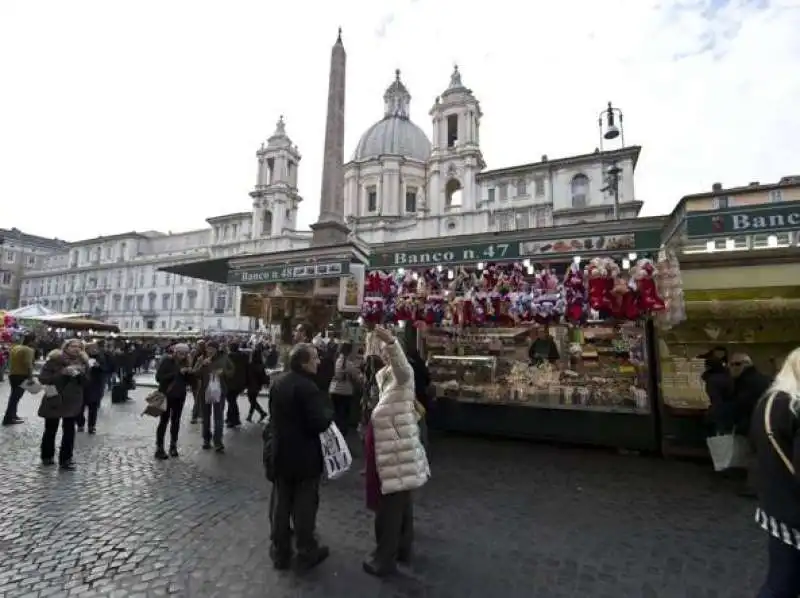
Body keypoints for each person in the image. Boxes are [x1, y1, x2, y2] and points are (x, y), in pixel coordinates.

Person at [363, 326, 430, 577]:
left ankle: (385, 558)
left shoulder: (405, 373)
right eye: (380, 349)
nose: (383, 352)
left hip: (397, 452)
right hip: (393, 450)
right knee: (401, 507)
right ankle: (402, 549)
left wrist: (390, 340)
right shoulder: (386, 375)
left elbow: (401, 365)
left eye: (387, 349)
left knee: (389, 511)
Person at [266, 343, 333, 571]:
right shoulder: (309, 388)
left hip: (280, 452)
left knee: (281, 504)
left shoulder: (278, 383)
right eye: (315, 358)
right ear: (304, 362)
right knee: (304, 506)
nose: (319, 362)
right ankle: (306, 550)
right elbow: (319, 423)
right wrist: (327, 413)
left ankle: (280, 551)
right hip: (304, 456)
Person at [749, 347, 800, 597]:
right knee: (783, 584)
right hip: (794, 509)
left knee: (782, 577)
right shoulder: (794, 408)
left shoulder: (768, 402)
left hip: (775, 503)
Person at [37, 339, 89, 470]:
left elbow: (86, 383)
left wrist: (80, 375)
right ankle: (47, 456)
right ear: (66, 347)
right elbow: (43, 379)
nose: (76, 349)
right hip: (54, 396)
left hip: (72, 400)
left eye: (79, 347)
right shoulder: (54, 360)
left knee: (70, 430)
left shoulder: (83, 362)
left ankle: (66, 459)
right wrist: (62, 373)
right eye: (73, 346)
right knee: (50, 428)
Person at [153, 343, 192, 459]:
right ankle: (159, 448)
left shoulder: (186, 362)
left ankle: (173, 446)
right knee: (164, 421)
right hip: (166, 395)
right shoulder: (166, 361)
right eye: (180, 353)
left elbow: (188, 381)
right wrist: (177, 372)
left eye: (185, 354)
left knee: (176, 421)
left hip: (179, 396)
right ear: (175, 352)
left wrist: (190, 372)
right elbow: (159, 378)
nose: (182, 356)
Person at [193, 341, 233, 453]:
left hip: (220, 391)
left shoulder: (224, 358)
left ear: (216, 349)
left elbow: (232, 372)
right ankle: (206, 440)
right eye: (208, 348)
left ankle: (218, 442)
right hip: (204, 392)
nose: (209, 351)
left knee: (218, 417)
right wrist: (202, 365)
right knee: (206, 417)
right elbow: (195, 373)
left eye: (212, 349)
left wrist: (223, 372)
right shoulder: (201, 359)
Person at [328, 341, 361, 437]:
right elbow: (357, 378)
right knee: (344, 416)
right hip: (345, 392)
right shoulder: (349, 364)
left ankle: (335, 434)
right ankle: (342, 436)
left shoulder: (337, 360)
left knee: (336, 414)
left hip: (334, 390)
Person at [2, 333, 36, 426]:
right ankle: (8, 418)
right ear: (32, 341)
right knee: (15, 398)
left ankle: (13, 415)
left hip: (13, 375)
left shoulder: (16, 348)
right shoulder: (29, 350)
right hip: (22, 375)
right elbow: (28, 364)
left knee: (13, 397)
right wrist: (31, 377)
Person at [702, 346, 735, 435]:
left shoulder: (712, 380)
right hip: (730, 412)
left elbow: (716, 400)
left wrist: (710, 414)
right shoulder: (728, 376)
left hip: (721, 414)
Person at [77, 342, 108, 434]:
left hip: (95, 385)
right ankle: (80, 424)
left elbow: (107, 368)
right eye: (90, 348)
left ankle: (91, 426)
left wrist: (99, 367)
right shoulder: (81, 357)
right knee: (80, 407)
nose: (93, 349)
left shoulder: (101, 357)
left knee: (93, 407)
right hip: (83, 386)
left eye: (94, 347)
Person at [224, 342, 248, 428]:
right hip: (241, 383)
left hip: (230, 383)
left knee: (231, 401)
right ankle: (229, 417)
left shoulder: (229, 357)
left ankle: (235, 420)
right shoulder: (244, 356)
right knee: (232, 400)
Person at [245, 343, 268, 423]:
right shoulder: (261, 365)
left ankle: (261, 413)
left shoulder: (250, 365)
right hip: (257, 386)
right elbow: (264, 376)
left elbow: (247, 375)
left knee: (252, 401)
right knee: (253, 400)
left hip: (251, 385)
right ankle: (251, 416)